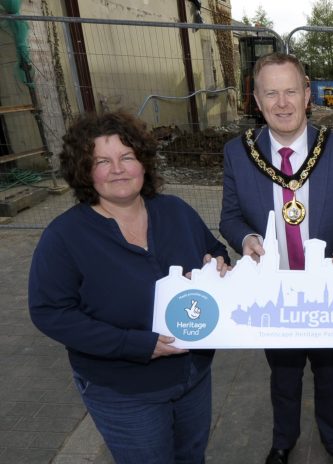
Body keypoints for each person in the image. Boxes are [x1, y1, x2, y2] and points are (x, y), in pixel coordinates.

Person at [28, 111, 230, 464]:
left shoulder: (175, 211)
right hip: (125, 389)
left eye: (127, 157)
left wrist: (218, 264)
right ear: (85, 171)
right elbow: (50, 313)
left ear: (143, 162)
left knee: (192, 457)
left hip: (193, 375)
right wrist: (134, 344)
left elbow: (213, 251)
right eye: (102, 161)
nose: (118, 169)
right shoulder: (65, 236)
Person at [219, 52, 333, 464]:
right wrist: (247, 238)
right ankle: (282, 442)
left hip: (328, 288)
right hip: (276, 291)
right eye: (271, 93)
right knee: (283, 375)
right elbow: (229, 216)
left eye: (291, 91)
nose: (282, 103)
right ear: (256, 99)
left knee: (331, 373)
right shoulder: (239, 153)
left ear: (308, 95)